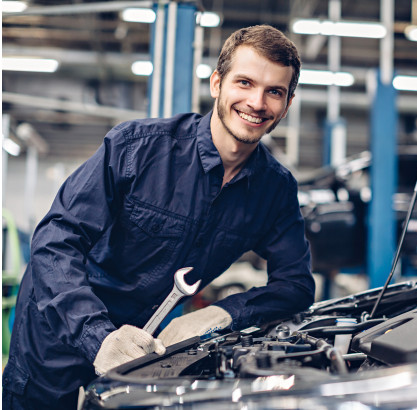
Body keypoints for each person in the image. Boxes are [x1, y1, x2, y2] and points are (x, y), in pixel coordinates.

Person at [2, 24, 315, 410]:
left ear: (288, 102)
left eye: (275, 92)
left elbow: (296, 285)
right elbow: (54, 241)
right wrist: (97, 336)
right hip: (60, 331)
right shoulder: (136, 149)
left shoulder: (275, 190)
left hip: (149, 346)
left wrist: (219, 314)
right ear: (217, 83)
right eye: (245, 83)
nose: (257, 102)